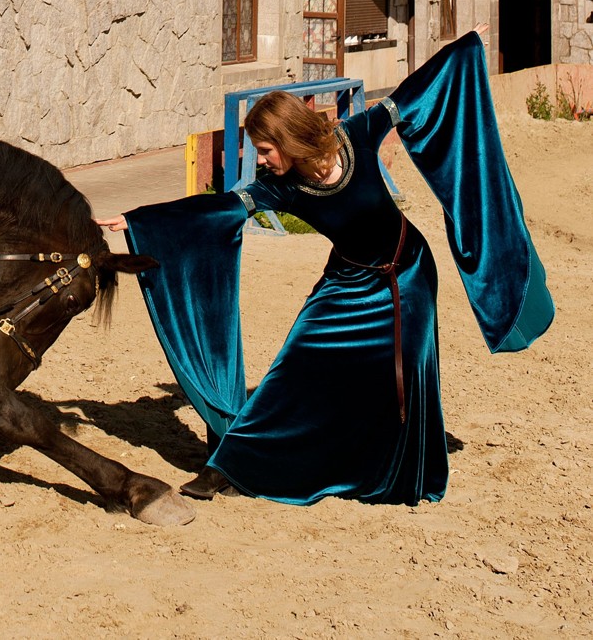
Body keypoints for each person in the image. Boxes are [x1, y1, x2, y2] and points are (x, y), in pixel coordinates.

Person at [98, 26, 554, 506]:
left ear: (288, 139)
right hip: (346, 282)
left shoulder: (355, 135)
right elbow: (215, 211)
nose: (261, 159)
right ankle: (228, 467)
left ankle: (395, 469)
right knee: (293, 369)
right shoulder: (280, 187)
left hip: (409, 273)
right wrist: (137, 220)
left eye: (266, 149)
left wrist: (464, 49)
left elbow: (414, 94)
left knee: (407, 375)